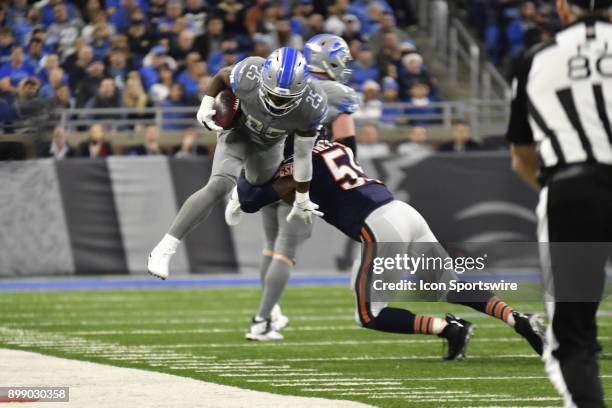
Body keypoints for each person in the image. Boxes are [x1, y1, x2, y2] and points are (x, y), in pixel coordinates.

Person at [230, 139, 545, 359]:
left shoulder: (299, 164)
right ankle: (517, 318)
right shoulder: (331, 147)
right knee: (448, 284)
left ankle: (447, 328)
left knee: (369, 314)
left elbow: (249, 200)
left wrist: (248, 160)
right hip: (403, 211)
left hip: (379, 226)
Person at [506, 1, 612, 406]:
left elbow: (522, 156)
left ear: (563, 7)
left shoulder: (535, 58)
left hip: (571, 189)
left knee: (572, 337)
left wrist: (559, 198)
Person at [147, 47, 329, 280]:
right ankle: (165, 247)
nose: (276, 101)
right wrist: (207, 102)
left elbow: (303, 155)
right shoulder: (250, 71)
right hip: (238, 132)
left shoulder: (312, 105)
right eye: (273, 94)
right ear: (264, 79)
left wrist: (303, 197)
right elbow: (223, 75)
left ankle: (239, 193)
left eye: (285, 98)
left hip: (271, 144)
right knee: (219, 185)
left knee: (258, 184)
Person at [225, 34, 359, 341]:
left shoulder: (290, 83)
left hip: (266, 170)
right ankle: (261, 321)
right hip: (298, 176)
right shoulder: (336, 93)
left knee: (271, 247)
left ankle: (270, 314)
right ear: (331, 61)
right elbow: (348, 148)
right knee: (286, 250)